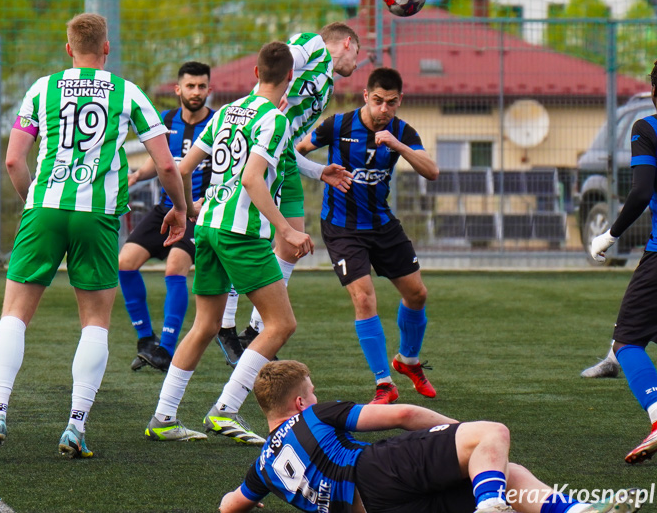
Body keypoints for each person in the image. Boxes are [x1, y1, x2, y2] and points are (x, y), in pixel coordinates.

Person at [0, 13, 187, 459]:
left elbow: (13, 161)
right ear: (106, 48)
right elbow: (166, 164)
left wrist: (36, 199)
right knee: (94, 322)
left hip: (45, 207)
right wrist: (180, 208)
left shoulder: (42, 88)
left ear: (68, 48)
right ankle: (75, 426)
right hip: (98, 216)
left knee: (14, 315)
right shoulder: (127, 92)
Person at [144, 41, 313, 445]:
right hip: (240, 234)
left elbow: (182, 167)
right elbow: (253, 180)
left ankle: (164, 417)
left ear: (255, 73)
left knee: (204, 325)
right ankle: (224, 410)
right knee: (281, 323)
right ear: (290, 77)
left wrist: (182, 210)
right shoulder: (274, 119)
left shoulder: (226, 112)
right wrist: (286, 230)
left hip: (209, 228)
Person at [219, 360, 641, 513]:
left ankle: (573, 512)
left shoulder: (262, 467)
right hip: (372, 474)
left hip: (375, 508)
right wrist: (461, 434)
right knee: (490, 436)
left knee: (506, 474)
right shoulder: (314, 416)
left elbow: (229, 505)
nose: (316, 397)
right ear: (298, 403)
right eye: (311, 392)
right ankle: (490, 505)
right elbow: (401, 413)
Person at [216, 23, 358, 365]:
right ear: (348, 43)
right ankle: (225, 325)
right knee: (247, 236)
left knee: (293, 246)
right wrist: (263, 105)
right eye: (358, 53)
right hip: (259, 152)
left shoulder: (325, 87)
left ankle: (255, 330)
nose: (357, 62)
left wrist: (319, 170)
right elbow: (280, 63)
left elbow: (289, 143)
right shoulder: (313, 45)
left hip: (283, 159)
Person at [296, 67, 438, 404]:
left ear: (399, 101)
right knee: (364, 298)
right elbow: (294, 152)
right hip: (342, 228)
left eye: (391, 103)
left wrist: (398, 145)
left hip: (382, 224)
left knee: (417, 294)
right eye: (377, 101)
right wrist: (320, 173)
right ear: (366, 96)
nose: (383, 110)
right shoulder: (338, 126)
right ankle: (384, 384)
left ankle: (407, 361)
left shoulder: (402, 131)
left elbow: (432, 171)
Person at [588, 56, 657, 464]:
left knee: (627, 341)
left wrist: (609, 235)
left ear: (654, 93)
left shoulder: (648, 127)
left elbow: (640, 192)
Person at [119, 62, 214, 372]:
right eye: (190, 86)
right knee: (125, 262)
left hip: (199, 214)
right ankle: (146, 340)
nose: (196, 92)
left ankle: (166, 350)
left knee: (175, 267)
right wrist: (136, 176)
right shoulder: (166, 120)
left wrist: (207, 201)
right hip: (166, 207)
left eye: (201, 86)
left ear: (209, 90)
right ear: (178, 89)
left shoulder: (218, 125)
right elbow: (159, 162)